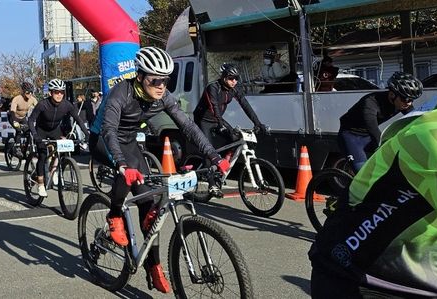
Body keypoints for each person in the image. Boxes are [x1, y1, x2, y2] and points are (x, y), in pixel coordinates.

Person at [89, 46, 231, 294]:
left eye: (166, 80)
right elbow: (110, 130)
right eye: (155, 80)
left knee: (151, 204)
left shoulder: (163, 96)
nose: (161, 86)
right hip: (103, 139)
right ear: (141, 76)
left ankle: (153, 266)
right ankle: (114, 215)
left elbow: (188, 126)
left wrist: (214, 156)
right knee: (130, 169)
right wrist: (122, 164)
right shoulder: (120, 93)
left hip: (129, 141)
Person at [309, 91, 437, 298]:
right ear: (393, 94)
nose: (406, 102)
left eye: (409, 99)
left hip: (425, 280)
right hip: (360, 277)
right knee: (360, 165)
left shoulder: (408, 107)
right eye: (403, 98)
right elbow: (374, 130)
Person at [192, 63, 265, 195]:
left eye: (236, 78)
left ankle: (222, 166)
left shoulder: (234, 89)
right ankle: (212, 184)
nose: (234, 81)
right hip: (204, 120)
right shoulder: (213, 87)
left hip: (217, 119)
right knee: (208, 149)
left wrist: (257, 122)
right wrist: (220, 123)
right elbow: (213, 106)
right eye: (231, 78)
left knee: (235, 139)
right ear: (224, 77)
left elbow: (245, 105)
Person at [338, 72, 422, 171]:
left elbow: (416, 120)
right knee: (363, 173)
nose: (409, 103)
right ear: (392, 94)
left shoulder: (401, 103)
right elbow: (374, 133)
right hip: (351, 137)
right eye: (405, 99)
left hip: (367, 136)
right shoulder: (370, 104)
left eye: (412, 100)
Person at [27, 79, 89, 197]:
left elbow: (78, 119)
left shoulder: (66, 105)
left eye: (61, 92)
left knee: (64, 149)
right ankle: (40, 184)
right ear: (51, 93)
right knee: (43, 155)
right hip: (42, 131)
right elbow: (31, 120)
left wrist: (87, 134)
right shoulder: (43, 105)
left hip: (55, 130)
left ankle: (54, 170)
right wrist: (35, 135)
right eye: (56, 92)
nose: (59, 95)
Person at [9, 82, 38, 150]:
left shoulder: (32, 99)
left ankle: (25, 150)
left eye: (31, 92)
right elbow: (12, 111)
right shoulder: (17, 99)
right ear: (23, 92)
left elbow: (38, 108)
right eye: (28, 92)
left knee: (28, 132)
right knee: (18, 130)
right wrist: (14, 121)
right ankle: (17, 147)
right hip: (13, 117)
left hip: (23, 118)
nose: (30, 94)